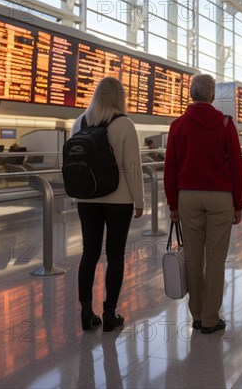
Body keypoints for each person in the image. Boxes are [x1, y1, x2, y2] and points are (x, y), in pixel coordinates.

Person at [164, 74, 242, 334]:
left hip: (188, 196)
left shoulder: (178, 125)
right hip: (220, 197)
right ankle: (211, 318)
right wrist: (239, 202)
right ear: (212, 96)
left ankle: (197, 315)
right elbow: (236, 166)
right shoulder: (224, 123)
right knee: (215, 259)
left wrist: (172, 204)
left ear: (191, 94)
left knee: (193, 257)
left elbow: (170, 169)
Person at [71, 77, 144, 332]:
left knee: (89, 254)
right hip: (119, 200)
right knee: (115, 256)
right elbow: (132, 168)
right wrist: (140, 200)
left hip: (87, 199)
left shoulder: (80, 121)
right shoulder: (124, 124)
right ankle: (110, 314)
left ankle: (86, 313)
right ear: (119, 97)